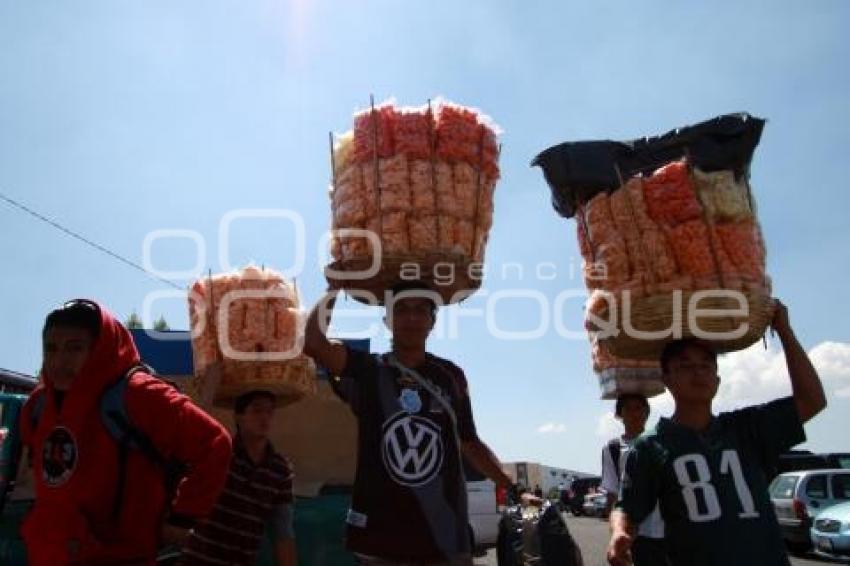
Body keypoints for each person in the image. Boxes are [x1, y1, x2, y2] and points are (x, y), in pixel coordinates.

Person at [304, 281, 513, 565]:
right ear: (388, 321)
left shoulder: (450, 377)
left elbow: (470, 442)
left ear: (432, 321)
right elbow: (314, 344)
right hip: (380, 538)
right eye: (401, 310)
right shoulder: (368, 370)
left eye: (420, 310)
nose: (411, 318)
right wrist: (334, 289)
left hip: (445, 539)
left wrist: (515, 489)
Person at [607, 300, 827, 566]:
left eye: (706, 365)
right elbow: (627, 508)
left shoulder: (747, 427)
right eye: (685, 365)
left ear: (717, 380)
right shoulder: (650, 447)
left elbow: (812, 400)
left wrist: (785, 332)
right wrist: (620, 532)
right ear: (666, 380)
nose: (698, 372)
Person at [19, 299, 232, 564]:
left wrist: (182, 518)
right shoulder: (38, 406)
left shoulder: (137, 394)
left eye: (75, 348)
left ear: (99, 348)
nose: (59, 361)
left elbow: (215, 443)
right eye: (51, 349)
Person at [181, 386, 296, 565]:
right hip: (200, 559)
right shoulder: (221, 454)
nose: (264, 417)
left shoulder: (279, 470)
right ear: (239, 416)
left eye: (269, 411)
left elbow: (282, 532)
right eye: (256, 410)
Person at [600, 394, 666, 565]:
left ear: (647, 412)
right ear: (619, 415)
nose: (634, 413)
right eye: (628, 408)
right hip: (635, 532)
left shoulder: (660, 442)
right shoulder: (613, 449)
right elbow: (613, 492)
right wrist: (616, 533)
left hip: (668, 528)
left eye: (639, 408)